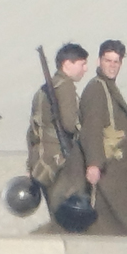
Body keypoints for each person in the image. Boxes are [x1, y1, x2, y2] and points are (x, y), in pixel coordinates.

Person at [79, 40, 127, 236]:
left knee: (118, 221)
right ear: (99, 61)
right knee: (114, 222)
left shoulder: (108, 88)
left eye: (116, 61)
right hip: (106, 168)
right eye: (108, 60)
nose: (112, 65)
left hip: (116, 167)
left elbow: (118, 131)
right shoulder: (97, 89)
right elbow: (92, 129)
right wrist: (94, 164)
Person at [28, 43, 88, 231]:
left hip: (43, 161)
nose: (85, 69)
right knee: (68, 218)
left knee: (58, 214)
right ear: (67, 64)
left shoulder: (44, 89)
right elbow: (70, 124)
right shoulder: (65, 86)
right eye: (82, 63)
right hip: (61, 160)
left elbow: (33, 132)